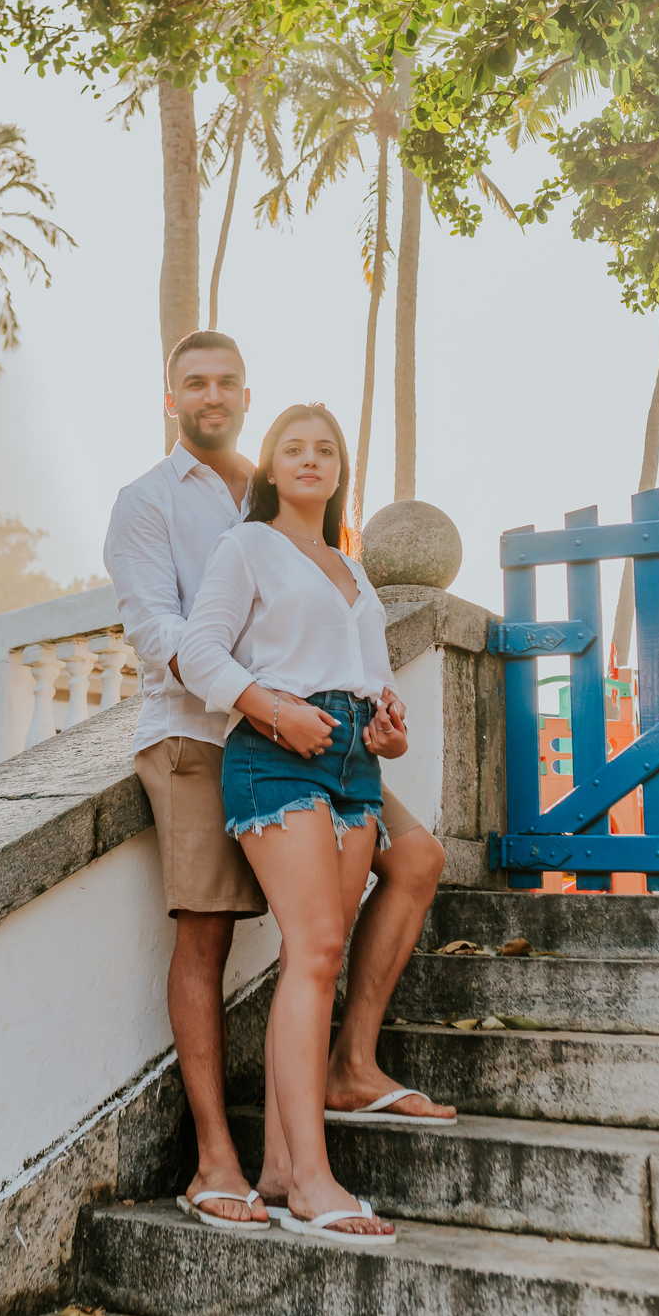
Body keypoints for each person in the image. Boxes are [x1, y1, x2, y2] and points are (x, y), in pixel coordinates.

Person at [103, 332, 453, 1236]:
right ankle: (221, 1159)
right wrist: (263, 706)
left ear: (245, 398)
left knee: (409, 862)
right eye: (194, 383)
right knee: (213, 930)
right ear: (171, 397)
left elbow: (357, 658)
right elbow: (163, 631)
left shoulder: (323, 546)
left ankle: (344, 1077)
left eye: (226, 382)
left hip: (328, 746)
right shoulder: (153, 504)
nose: (210, 394)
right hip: (203, 730)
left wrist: (376, 724)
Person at [176, 402, 406, 1240]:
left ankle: (278, 1163)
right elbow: (200, 652)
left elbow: (370, 676)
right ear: (270, 468)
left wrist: (390, 724)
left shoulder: (352, 569)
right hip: (278, 754)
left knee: (318, 958)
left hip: (354, 764)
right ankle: (312, 1183)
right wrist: (274, 712)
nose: (311, 459)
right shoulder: (247, 548)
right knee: (311, 951)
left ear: (342, 470)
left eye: (326, 449)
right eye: (293, 448)